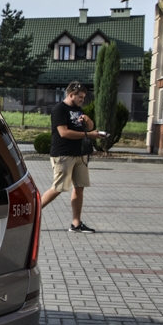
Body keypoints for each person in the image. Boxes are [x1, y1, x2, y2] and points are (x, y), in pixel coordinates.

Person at [40, 81, 104, 233]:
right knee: (58, 188)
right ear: (71, 95)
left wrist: (88, 121)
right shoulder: (59, 109)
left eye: (83, 97)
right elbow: (64, 133)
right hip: (63, 154)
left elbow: (89, 127)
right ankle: (30, 214)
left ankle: (76, 224)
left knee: (79, 187)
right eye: (80, 97)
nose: (82, 100)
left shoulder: (78, 109)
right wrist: (89, 135)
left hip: (79, 155)